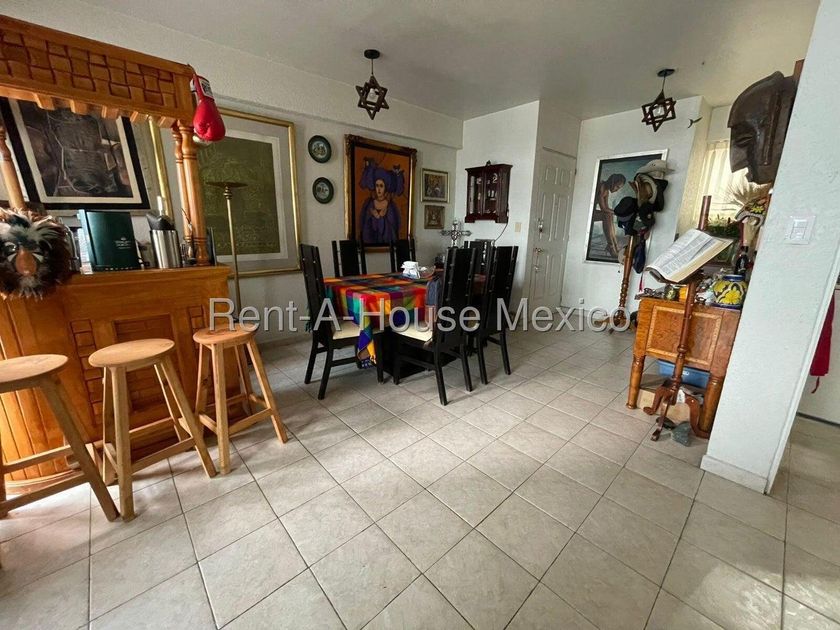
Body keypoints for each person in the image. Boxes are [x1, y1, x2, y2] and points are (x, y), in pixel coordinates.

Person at [360, 163, 403, 244]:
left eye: (381, 186)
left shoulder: (390, 206)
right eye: (377, 186)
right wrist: (374, 218)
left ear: (385, 187)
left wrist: (381, 219)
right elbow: (365, 226)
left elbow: (393, 229)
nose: (379, 189)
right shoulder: (370, 204)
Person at [593, 173, 626, 258]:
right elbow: (604, 209)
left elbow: (606, 208)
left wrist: (617, 212)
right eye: (617, 186)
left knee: (609, 215)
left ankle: (614, 245)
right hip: (586, 211)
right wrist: (618, 213)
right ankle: (611, 246)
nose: (617, 190)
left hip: (592, 212)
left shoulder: (606, 191)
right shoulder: (601, 187)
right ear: (613, 182)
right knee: (607, 216)